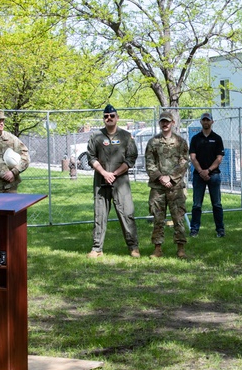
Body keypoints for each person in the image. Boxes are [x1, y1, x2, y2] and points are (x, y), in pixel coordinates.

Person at [86, 104, 140, 258]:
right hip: (101, 182)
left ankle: (133, 247)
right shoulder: (96, 137)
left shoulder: (126, 137)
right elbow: (91, 157)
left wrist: (114, 174)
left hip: (120, 182)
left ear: (117, 117)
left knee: (127, 213)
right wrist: (104, 173)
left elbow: (131, 158)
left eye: (112, 116)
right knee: (100, 214)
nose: (108, 118)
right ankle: (97, 248)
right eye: (106, 116)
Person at [146, 111, 190, 258]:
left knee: (178, 218)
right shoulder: (153, 142)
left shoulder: (181, 142)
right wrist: (160, 178)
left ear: (173, 123)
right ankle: (157, 248)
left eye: (167, 121)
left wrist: (171, 178)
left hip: (175, 187)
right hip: (158, 187)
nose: (165, 124)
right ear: (159, 123)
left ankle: (181, 248)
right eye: (162, 121)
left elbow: (184, 162)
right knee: (158, 218)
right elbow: (149, 163)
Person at [188, 112, 225, 238]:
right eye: (204, 120)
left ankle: (220, 230)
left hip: (213, 175)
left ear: (212, 122)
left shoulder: (217, 138)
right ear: (201, 122)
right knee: (197, 204)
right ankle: (194, 230)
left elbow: (219, 158)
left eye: (208, 120)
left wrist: (208, 170)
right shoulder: (195, 139)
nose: (206, 122)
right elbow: (193, 158)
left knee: (217, 204)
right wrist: (200, 171)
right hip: (198, 176)